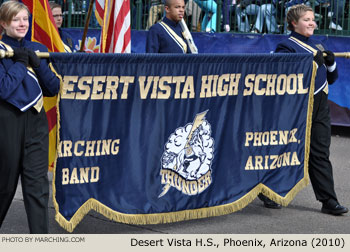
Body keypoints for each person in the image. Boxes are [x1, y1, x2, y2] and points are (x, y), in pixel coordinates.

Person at [259, 4, 348, 216]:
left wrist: (332, 64)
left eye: (313, 20)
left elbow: (331, 79)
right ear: (293, 23)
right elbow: (286, 79)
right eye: (307, 20)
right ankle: (268, 191)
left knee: (319, 153)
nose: (312, 23)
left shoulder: (317, 44)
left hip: (320, 108)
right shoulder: (286, 46)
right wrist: (310, 63)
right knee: (285, 151)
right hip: (295, 108)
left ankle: (328, 200)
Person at [0, 0, 61, 233]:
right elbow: (5, 89)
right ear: (4, 23)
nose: (22, 23)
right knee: (4, 187)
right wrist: (20, 63)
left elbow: (53, 88)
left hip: (36, 123)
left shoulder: (37, 47)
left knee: (38, 186)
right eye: (16, 19)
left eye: (25, 19)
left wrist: (38, 64)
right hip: (7, 121)